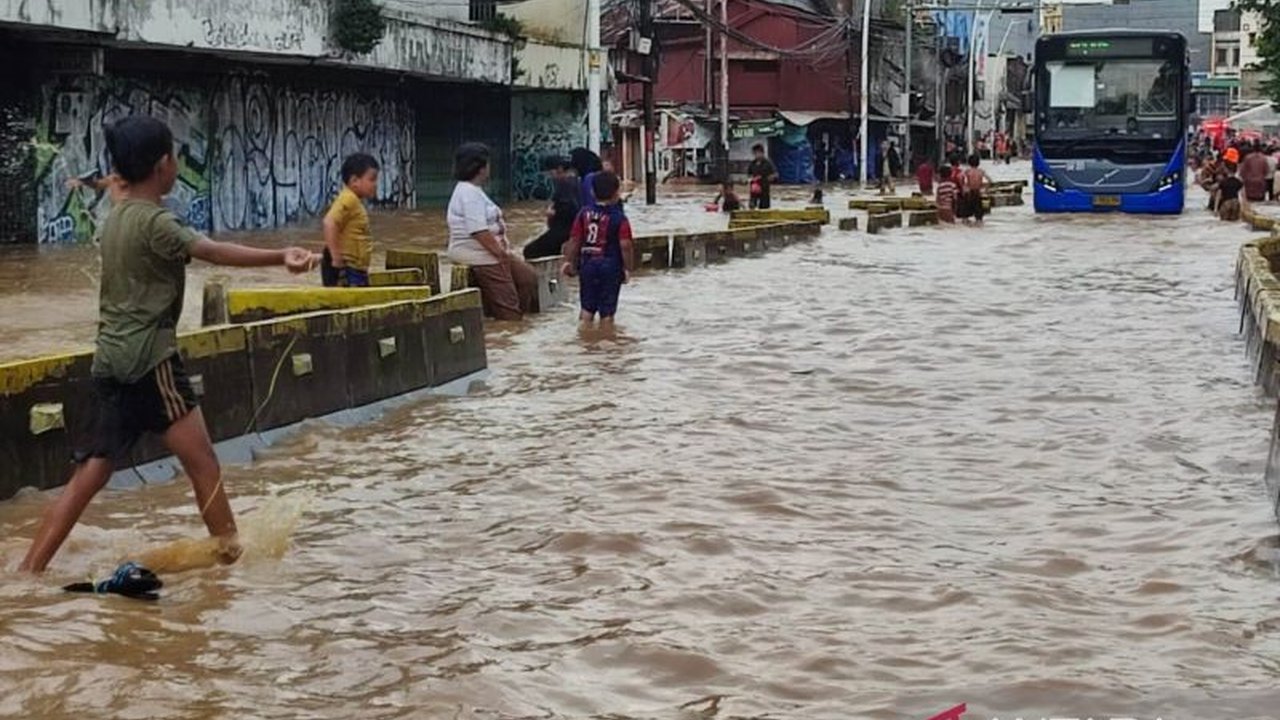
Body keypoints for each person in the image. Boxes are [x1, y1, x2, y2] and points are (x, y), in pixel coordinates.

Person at [19, 116, 314, 574]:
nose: (177, 163)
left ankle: (28, 572)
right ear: (162, 166)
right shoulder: (158, 223)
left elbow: (120, 190)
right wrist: (282, 256)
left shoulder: (116, 216)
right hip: (151, 362)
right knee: (204, 464)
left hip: (110, 360)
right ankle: (230, 563)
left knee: (90, 474)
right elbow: (213, 251)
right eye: (174, 155)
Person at [447, 142, 539, 321]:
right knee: (509, 311)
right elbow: (478, 231)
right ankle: (508, 324)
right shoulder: (469, 194)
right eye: (488, 164)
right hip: (482, 256)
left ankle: (498, 319)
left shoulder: (472, 191)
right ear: (480, 168)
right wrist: (500, 255)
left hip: (489, 253)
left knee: (528, 277)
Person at [562, 172, 635, 332]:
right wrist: (628, 268)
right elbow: (626, 246)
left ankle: (584, 340)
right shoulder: (620, 218)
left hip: (587, 265)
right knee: (607, 313)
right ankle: (606, 342)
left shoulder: (583, 213)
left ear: (592, 192)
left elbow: (574, 241)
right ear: (617, 193)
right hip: (610, 267)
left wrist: (568, 262)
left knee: (586, 309)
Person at [321, 153, 379, 287]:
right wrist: (336, 259)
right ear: (354, 181)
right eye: (372, 179)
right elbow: (329, 222)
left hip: (356, 269)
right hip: (349, 269)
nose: (375, 184)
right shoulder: (349, 199)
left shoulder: (353, 201)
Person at [522, 155, 580, 260]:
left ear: (559, 169)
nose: (550, 176)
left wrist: (553, 213)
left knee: (529, 251)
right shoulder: (574, 182)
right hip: (568, 231)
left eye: (550, 172)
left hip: (563, 231)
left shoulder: (565, 184)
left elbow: (570, 209)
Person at [957, 153, 991, 225]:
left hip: (969, 192)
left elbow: (959, 177)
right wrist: (985, 189)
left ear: (969, 163)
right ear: (978, 163)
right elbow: (989, 180)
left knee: (965, 214)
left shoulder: (968, 171)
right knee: (978, 215)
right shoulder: (981, 171)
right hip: (977, 192)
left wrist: (963, 186)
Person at [747, 144, 777, 209]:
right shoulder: (752, 164)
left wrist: (769, 178)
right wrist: (751, 179)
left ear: (762, 153)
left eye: (757, 153)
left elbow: (775, 174)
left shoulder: (768, 163)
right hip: (754, 189)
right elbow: (749, 175)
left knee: (764, 207)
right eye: (754, 153)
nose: (756, 155)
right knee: (752, 206)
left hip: (764, 188)